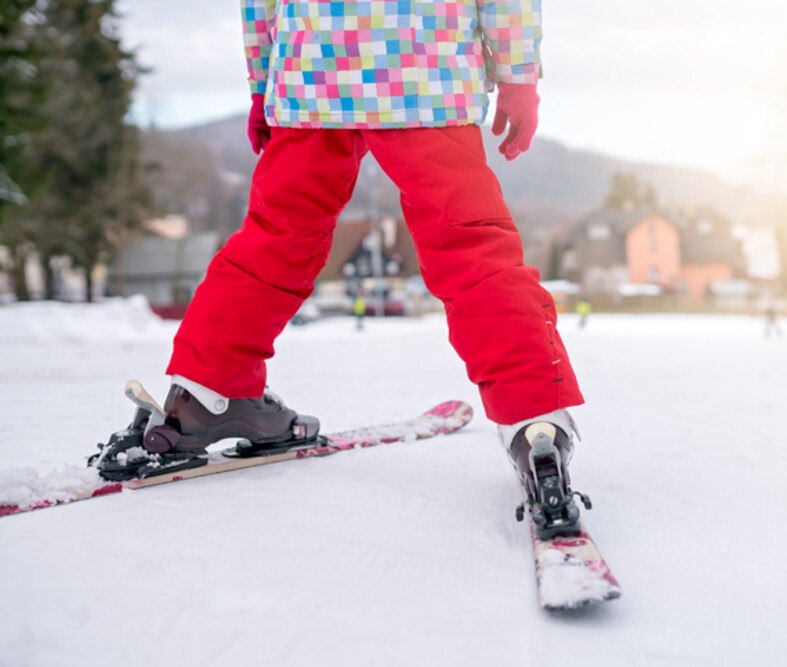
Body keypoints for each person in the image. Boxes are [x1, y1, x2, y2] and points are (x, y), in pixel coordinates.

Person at [94, 0, 588, 538]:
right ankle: (534, 417)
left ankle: (206, 392)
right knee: (472, 251)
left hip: (312, 71)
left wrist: (263, 82)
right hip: (424, 68)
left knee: (273, 239)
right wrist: (517, 74)